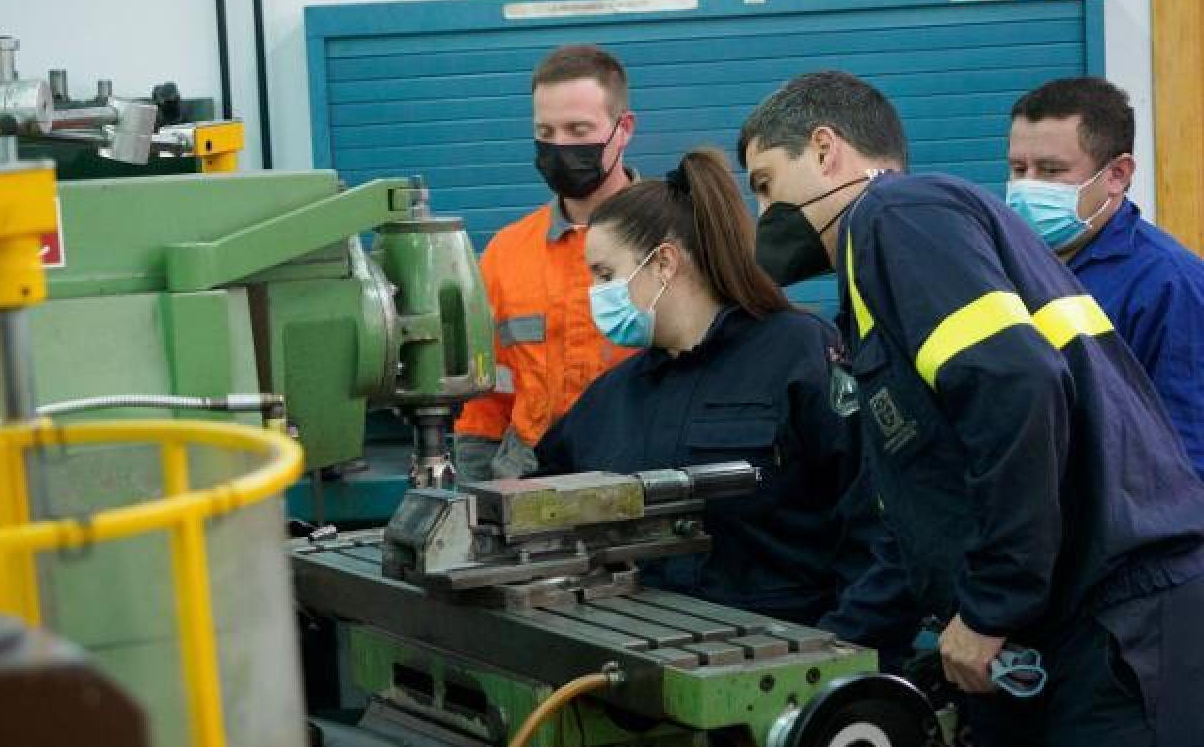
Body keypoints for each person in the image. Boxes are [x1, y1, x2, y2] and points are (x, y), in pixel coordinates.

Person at [739, 70, 1204, 746]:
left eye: (764, 183)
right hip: (1067, 632)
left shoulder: (894, 217)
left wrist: (990, 609)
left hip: (1117, 630)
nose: (762, 215)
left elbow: (1018, 387)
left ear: (823, 149)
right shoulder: (891, 262)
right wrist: (833, 651)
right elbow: (925, 510)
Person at [534, 148, 916, 657]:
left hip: (788, 667)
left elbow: (887, 526)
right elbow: (539, 504)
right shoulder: (612, 396)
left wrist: (836, 657)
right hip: (647, 670)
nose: (594, 293)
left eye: (605, 274)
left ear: (665, 262)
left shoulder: (801, 354)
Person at [454, 45, 639, 481]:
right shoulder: (506, 253)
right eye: (546, 131)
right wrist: (482, 500)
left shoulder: (677, 239)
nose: (561, 147)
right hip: (530, 482)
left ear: (623, 129)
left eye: (578, 129)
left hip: (642, 476)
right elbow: (485, 401)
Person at [1007, 77, 1204, 479]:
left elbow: (1189, 459)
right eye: (1017, 168)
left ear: (1116, 174)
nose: (1027, 188)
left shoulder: (1171, 285)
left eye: (1050, 170)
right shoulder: (1002, 263)